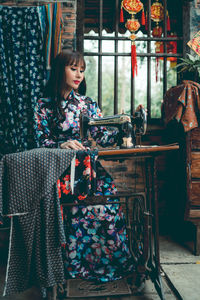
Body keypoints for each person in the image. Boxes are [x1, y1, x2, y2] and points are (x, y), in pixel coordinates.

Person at [34, 50, 136, 284]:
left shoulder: (87, 104)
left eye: (82, 70)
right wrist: (61, 144)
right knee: (76, 211)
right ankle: (74, 267)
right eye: (73, 68)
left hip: (89, 170)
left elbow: (101, 134)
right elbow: (40, 141)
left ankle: (108, 262)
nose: (79, 74)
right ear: (61, 70)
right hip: (60, 172)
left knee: (108, 207)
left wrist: (124, 130)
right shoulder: (44, 105)